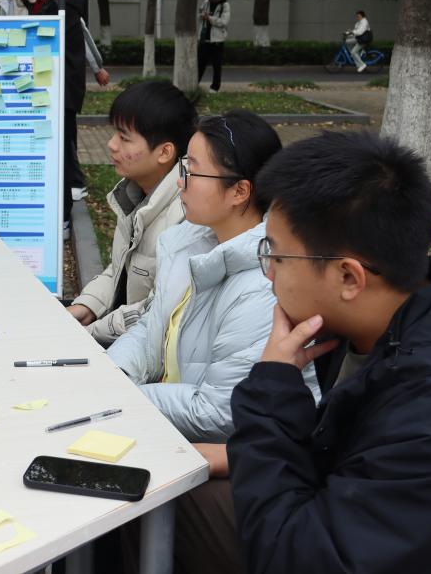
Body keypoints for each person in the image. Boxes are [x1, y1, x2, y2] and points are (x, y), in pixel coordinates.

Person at [208, 131, 431, 574]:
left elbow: (298, 560)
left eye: (277, 256)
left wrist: (272, 391)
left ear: (348, 278)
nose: (268, 274)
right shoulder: (390, 315)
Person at [107, 111, 320, 443]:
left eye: (192, 171)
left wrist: (122, 399)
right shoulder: (191, 242)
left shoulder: (265, 286)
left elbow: (217, 414)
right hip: (163, 424)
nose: (181, 182)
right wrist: (113, 374)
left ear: (239, 192)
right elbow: (151, 328)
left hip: (208, 449)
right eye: (184, 168)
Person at [67, 81, 194, 345]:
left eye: (124, 138)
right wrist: (87, 305)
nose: (112, 144)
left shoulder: (188, 215)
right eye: (115, 133)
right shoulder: (135, 193)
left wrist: (91, 331)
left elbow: (158, 309)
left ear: (164, 152)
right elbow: (120, 269)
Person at [24, 0, 85, 238]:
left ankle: (62, 218)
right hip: (48, 87)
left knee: (60, 153)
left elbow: (42, 39)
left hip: (60, 90)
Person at [198, 0, 229, 93]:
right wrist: (202, 16)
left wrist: (209, 18)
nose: (213, 0)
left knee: (216, 65)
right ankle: (194, 83)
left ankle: (215, 88)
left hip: (217, 40)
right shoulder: (205, 3)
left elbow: (224, 22)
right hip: (204, 38)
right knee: (200, 64)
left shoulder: (225, 5)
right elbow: (200, 14)